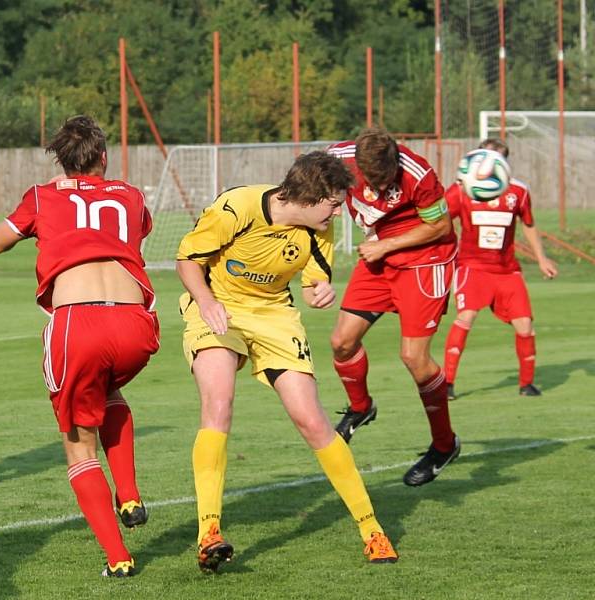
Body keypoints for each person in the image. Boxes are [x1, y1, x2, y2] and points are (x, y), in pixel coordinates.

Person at [176, 151, 398, 574]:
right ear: (311, 195)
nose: (338, 211)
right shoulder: (237, 207)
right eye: (333, 202)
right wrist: (205, 302)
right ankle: (209, 532)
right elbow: (187, 260)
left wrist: (320, 292)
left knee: (312, 420)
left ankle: (372, 530)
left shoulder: (321, 229)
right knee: (218, 404)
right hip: (218, 306)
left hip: (275, 315)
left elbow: (316, 279)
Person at [0, 115, 159, 578]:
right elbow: (137, 231)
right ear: (103, 157)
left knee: (79, 448)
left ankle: (119, 559)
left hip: (78, 323)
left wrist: (50, 200)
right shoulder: (131, 194)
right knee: (110, 392)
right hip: (135, 324)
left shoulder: (43, 195)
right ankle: (131, 493)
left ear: (60, 161)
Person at [326, 127, 461, 487]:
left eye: (385, 179)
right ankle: (360, 408)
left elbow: (442, 226)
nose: (380, 187)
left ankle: (444, 445)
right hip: (378, 256)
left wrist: (386, 246)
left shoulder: (418, 173)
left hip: (424, 260)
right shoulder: (336, 159)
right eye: (372, 180)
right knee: (342, 341)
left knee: (414, 358)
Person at [443, 139, 558, 400]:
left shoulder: (518, 191)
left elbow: (528, 224)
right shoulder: (462, 190)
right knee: (466, 317)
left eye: (497, 159)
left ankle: (526, 384)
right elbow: (438, 219)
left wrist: (542, 258)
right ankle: (447, 384)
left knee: (525, 325)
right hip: (473, 267)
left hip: (507, 270)